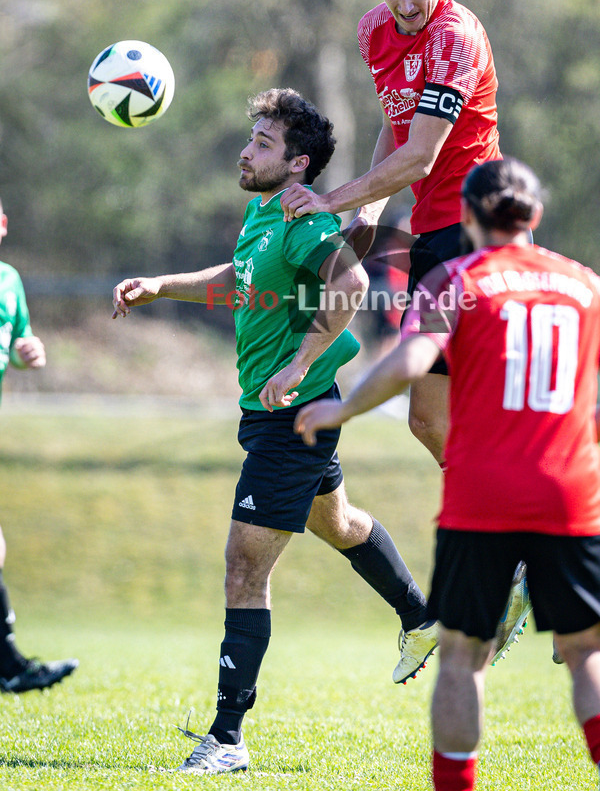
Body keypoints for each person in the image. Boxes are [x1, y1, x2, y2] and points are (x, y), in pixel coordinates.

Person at [295, 157, 600, 791]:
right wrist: (570, 443)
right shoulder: (587, 285)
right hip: (567, 493)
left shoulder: (457, 280)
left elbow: (413, 359)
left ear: (465, 215)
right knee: (588, 649)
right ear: (535, 215)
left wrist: (344, 407)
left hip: (481, 494)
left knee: (463, 653)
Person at [112, 88, 439, 775]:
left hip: (291, 414)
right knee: (337, 523)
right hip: (275, 411)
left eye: (262, 143)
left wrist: (299, 362)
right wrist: (161, 284)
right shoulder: (263, 211)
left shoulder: (300, 218)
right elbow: (240, 281)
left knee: (244, 567)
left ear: (297, 165)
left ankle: (227, 737)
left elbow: (349, 285)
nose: (245, 150)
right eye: (250, 137)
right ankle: (421, 616)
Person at [281, 0, 501, 465]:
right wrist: (371, 209)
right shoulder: (371, 30)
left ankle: (507, 508)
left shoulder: (454, 36)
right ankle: (493, 506)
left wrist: (330, 200)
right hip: (434, 229)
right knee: (427, 419)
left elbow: (420, 156)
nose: (405, 6)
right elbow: (395, 125)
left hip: (478, 230)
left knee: (472, 403)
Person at [0, 197, 79, 694]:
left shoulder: (9, 280)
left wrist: (26, 353)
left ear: (4, 224)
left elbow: (17, 343)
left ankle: (9, 665)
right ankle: (10, 665)